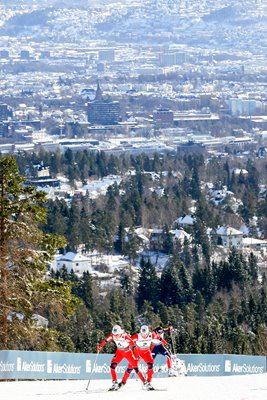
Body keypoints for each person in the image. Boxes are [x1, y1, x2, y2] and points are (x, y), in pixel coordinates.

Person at [97, 324, 146, 391]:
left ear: (120, 332)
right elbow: (106, 340)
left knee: (135, 367)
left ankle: (145, 382)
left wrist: (137, 355)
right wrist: (100, 346)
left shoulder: (125, 337)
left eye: (117, 335)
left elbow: (133, 346)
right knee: (112, 366)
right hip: (119, 352)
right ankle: (115, 383)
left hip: (127, 352)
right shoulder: (112, 335)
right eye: (114, 335)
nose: (115, 336)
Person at [119, 325, 163, 391]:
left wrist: (163, 342)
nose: (144, 336)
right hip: (138, 353)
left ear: (148, 332)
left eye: (146, 335)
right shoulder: (137, 336)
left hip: (147, 352)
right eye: (143, 334)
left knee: (150, 365)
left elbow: (158, 338)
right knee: (130, 367)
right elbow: (129, 340)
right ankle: (123, 382)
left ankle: (148, 382)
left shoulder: (152, 335)